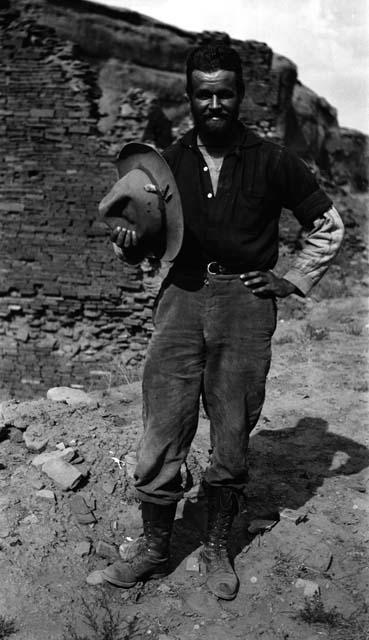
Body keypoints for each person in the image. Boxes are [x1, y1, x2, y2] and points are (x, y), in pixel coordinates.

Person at [101, 44, 344, 600]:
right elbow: (145, 245)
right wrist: (128, 244)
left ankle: (214, 547)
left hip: (246, 305)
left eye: (225, 92)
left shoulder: (270, 159)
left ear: (240, 95)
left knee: (232, 431)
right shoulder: (165, 166)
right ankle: (156, 548)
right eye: (204, 93)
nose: (215, 102)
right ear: (189, 97)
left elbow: (327, 225)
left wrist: (292, 279)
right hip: (181, 299)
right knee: (163, 424)